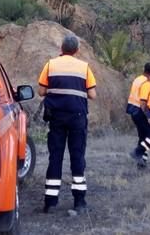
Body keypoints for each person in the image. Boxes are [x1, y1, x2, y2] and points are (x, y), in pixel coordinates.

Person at [38, 34, 97, 214]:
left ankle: (50, 202)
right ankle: (79, 201)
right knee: (77, 157)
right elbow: (93, 95)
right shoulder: (84, 67)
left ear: (61, 49)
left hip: (56, 117)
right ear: (77, 50)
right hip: (77, 117)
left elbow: (41, 91)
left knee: (55, 157)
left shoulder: (50, 65)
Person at [126, 62, 150, 168]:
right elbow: (143, 102)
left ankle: (142, 163)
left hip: (133, 111)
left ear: (144, 69)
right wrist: (149, 116)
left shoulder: (138, 79)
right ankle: (138, 152)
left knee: (143, 137)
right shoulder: (146, 84)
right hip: (142, 112)